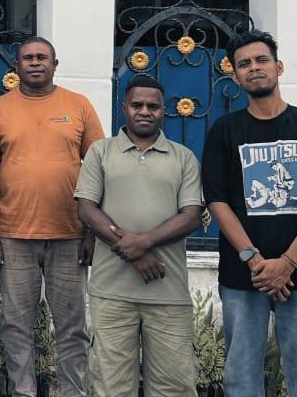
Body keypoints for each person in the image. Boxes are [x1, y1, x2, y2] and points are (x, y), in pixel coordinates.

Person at [201, 30, 297, 397]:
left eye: (261, 60)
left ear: (278, 67)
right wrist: (254, 260)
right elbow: (216, 200)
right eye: (244, 64)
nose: (254, 68)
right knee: (241, 375)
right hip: (243, 274)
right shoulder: (224, 131)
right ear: (236, 76)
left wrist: (287, 263)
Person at [0, 35, 104, 397]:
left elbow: (99, 168)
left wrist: (92, 232)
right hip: (14, 236)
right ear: (16, 65)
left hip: (70, 235)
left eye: (42, 57)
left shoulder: (79, 105)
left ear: (54, 64)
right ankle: (23, 392)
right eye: (28, 58)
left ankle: (72, 392)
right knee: (15, 325)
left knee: (72, 327)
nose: (35, 63)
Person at [75, 74, 203, 396]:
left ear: (163, 111)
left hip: (168, 293)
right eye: (137, 105)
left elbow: (190, 217)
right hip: (111, 292)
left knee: (174, 387)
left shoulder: (183, 157)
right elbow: (87, 209)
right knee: (111, 387)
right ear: (124, 108)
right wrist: (135, 254)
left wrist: (142, 244)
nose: (144, 111)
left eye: (152, 106)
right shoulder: (101, 152)